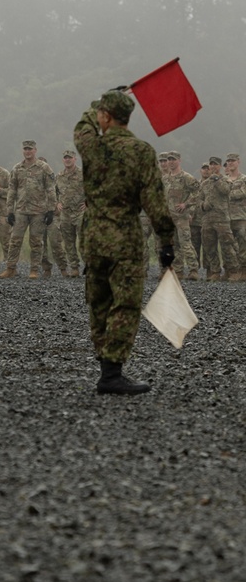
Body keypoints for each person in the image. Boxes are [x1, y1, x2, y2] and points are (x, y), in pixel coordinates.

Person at [74, 90, 174, 394]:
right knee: (126, 304)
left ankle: (106, 367)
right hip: (125, 239)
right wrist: (166, 241)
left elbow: (82, 126)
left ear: (105, 116)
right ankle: (112, 372)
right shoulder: (141, 151)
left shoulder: (91, 147)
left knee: (99, 302)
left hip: (93, 238)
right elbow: (155, 202)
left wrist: (95, 107)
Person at [0, 140, 56, 279]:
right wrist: (9, 211)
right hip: (21, 210)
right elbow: (12, 190)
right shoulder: (17, 168)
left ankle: (34, 270)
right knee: (15, 240)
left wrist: (51, 209)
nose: (27, 151)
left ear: (35, 150)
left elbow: (50, 189)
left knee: (36, 241)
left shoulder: (44, 168)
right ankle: (10, 268)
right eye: (25, 149)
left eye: (30, 149)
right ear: (23, 151)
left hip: (38, 211)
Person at [162, 151, 200, 280]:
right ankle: (178, 271)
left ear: (179, 160)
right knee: (174, 245)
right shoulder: (165, 178)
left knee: (185, 243)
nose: (171, 162)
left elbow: (198, 192)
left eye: (173, 159)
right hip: (169, 216)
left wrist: (186, 204)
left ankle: (193, 270)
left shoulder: (186, 178)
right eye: (169, 159)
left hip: (181, 217)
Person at [199, 156, 238, 280]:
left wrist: (217, 180)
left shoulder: (226, 180)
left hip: (222, 219)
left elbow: (226, 191)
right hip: (207, 220)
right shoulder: (204, 183)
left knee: (227, 246)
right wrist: (203, 205)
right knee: (209, 247)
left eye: (215, 164)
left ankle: (233, 271)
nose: (213, 167)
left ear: (220, 166)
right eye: (211, 164)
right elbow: (198, 199)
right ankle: (215, 271)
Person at [55, 149, 85, 277]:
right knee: (68, 242)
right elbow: (54, 192)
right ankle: (74, 267)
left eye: (70, 158)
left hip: (80, 212)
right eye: (65, 158)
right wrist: (57, 202)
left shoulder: (83, 174)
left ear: (75, 159)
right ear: (63, 160)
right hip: (65, 213)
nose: (67, 160)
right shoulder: (59, 176)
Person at [224, 153, 246, 281]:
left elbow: (242, 193)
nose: (230, 163)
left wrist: (227, 194)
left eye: (233, 161)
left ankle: (243, 269)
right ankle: (230, 270)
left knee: (242, 243)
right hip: (225, 217)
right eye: (228, 161)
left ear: (238, 162)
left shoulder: (243, 179)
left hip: (240, 216)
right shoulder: (223, 179)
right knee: (227, 244)